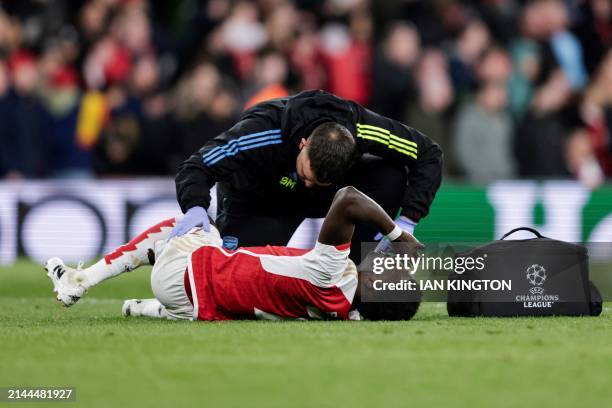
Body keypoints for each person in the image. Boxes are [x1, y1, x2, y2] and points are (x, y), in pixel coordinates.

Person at [45, 187, 422, 321]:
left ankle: (80, 280)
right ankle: (144, 307)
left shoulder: (331, 269)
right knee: (233, 285)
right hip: (199, 306)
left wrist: (397, 233)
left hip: (188, 273)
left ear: (376, 287)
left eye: (390, 270)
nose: (385, 260)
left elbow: (349, 198)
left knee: (193, 226)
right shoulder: (343, 308)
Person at [172, 89, 443, 262]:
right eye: (306, 174)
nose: (308, 183)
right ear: (303, 144)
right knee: (235, 283)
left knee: (389, 175)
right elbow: (197, 165)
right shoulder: (261, 132)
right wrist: (195, 205)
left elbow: (429, 153)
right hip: (260, 200)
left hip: (328, 199)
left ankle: (359, 268)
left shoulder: (362, 128)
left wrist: (407, 221)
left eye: (317, 180)